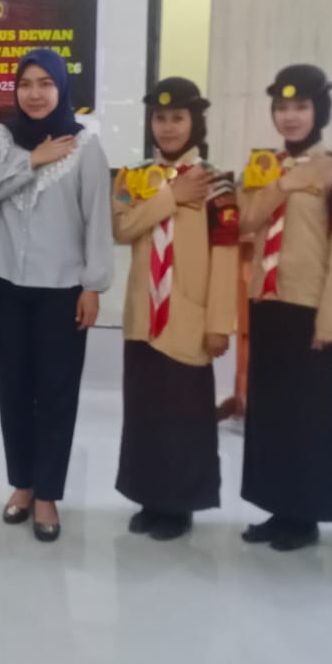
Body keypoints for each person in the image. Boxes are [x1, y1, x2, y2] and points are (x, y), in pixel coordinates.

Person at [0, 49, 112, 543]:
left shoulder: (84, 145)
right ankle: (23, 485)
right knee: (13, 390)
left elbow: (97, 220)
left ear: (62, 88)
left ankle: (48, 493)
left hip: (62, 289)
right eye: (25, 83)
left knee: (56, 394)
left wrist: (93, 286)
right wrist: (31, 161)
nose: (34, 94)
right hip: (5, 284)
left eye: (45, 83)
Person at [237, 64, 332, 552]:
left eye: (301, 107)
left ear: (319, 111)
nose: (290, 117)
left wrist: (331, 318)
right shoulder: (263, 166)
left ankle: (305, 515)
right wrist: (284, 185)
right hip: (268, 302)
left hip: (311, 310)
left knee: (310, 416)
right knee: (272, 412)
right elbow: (245, 221)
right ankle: (276, 506)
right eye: (282, 107)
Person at [111, 77, 237, 542]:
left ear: (195, 122)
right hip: (143, 317)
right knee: (145, 413)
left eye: (177, 118)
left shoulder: (217, 183)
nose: (167, 127)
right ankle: (149, 498)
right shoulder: (133, 177)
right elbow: (122, 229)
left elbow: (226, 257)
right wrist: (170, 196)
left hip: (188, 318)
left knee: (185, 418)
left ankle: (180, 505)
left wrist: (219, 323)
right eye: (160, 118)